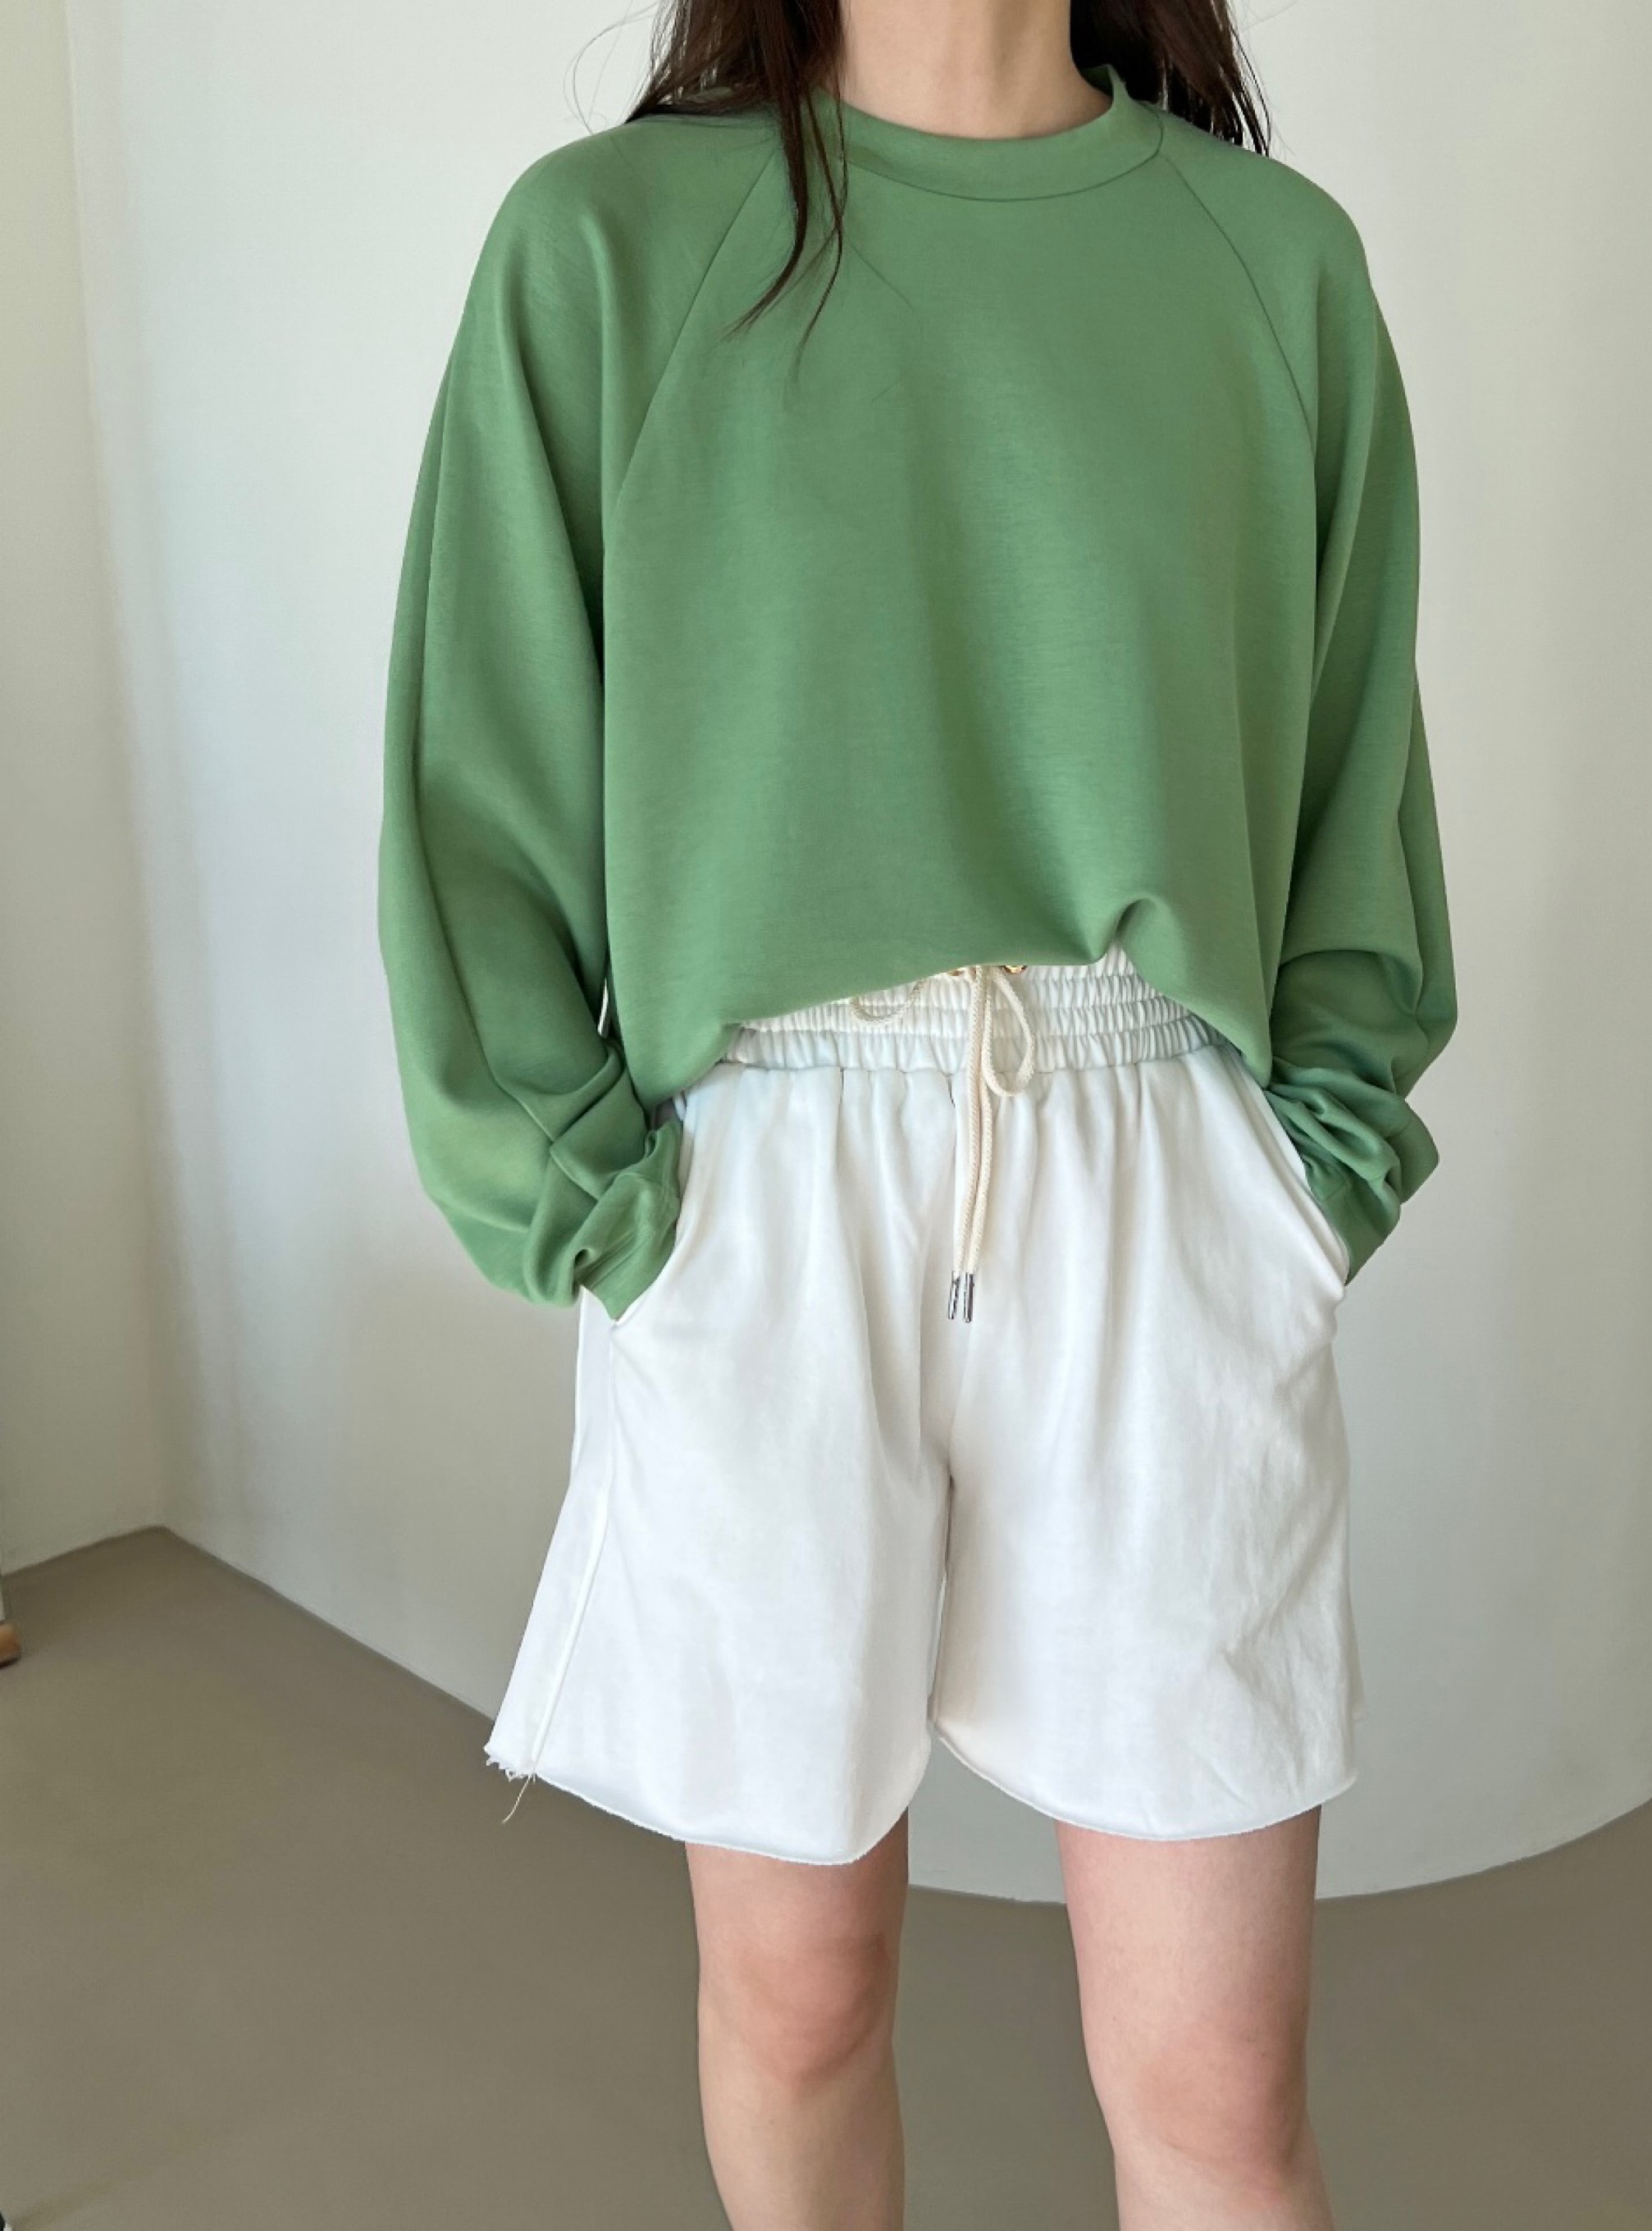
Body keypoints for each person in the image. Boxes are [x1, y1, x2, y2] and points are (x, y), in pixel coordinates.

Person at [377, 0, 1457, 2220]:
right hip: (761, 1187)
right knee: (797, 2002)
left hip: (1165, 1173)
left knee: (1219, 2089)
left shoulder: (1274, 266)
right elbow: (478, 792)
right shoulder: (603, 248)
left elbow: (1356, 789)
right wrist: (609, 1215)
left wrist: (1306, 1182)